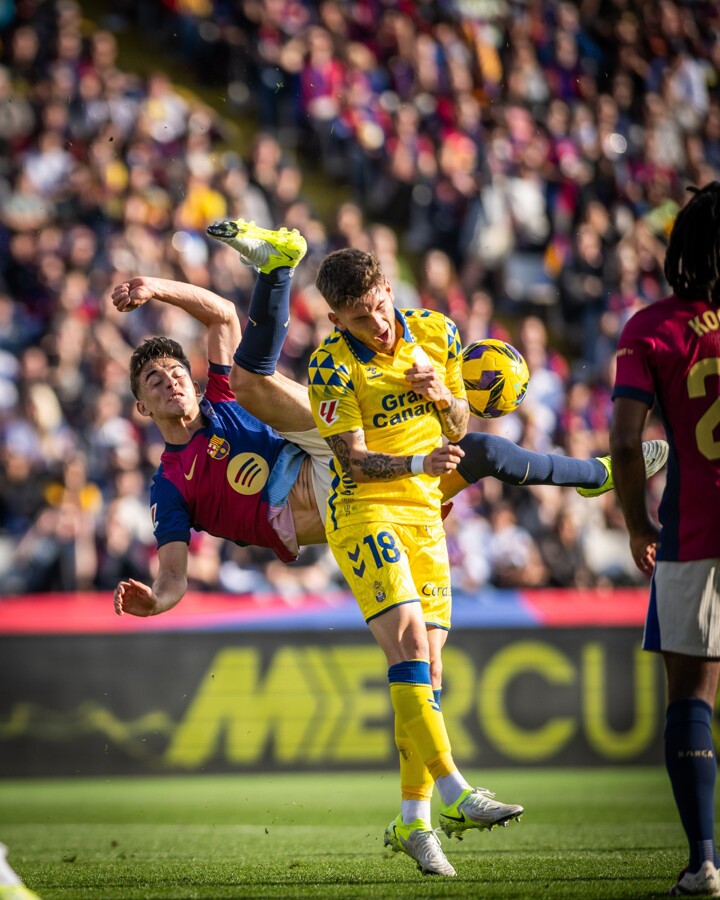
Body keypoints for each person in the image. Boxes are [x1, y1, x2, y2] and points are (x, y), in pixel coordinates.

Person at [112, 220, 668, 621]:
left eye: (175, 370)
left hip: (318, 455)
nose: (172, 380)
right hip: (339, 494)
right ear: (143, 408)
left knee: (254, 383)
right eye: (155, 382)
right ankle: (598, 476)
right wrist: (157, 601)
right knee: (486, 455)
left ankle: (279, 266)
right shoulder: (168, 483)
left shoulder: (221, 399)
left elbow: (224, 315)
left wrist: (156, 287)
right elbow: (175, 574)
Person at [609, 181, 720, 898]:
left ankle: (705, 860)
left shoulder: (649, 329)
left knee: (692, 694)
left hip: (696, 527)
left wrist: (636, 522)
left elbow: (624, 443)